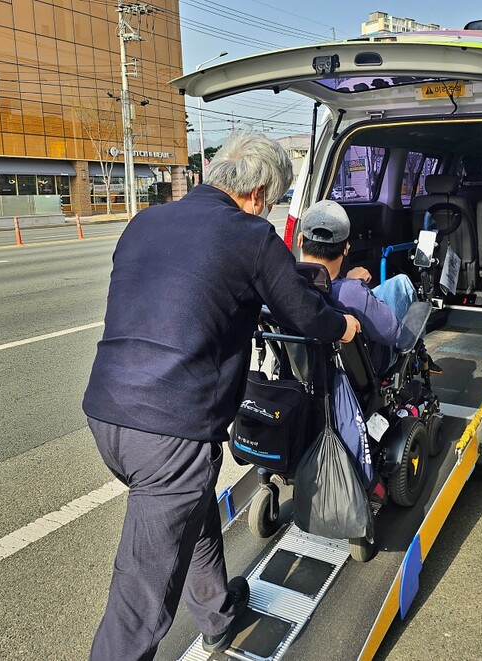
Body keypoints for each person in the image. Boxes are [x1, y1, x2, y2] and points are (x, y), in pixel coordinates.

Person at [82, 133, 361, 661]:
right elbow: (303, 314)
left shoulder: (146, 221)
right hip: (168, 430)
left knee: (195, 503)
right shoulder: (252, 237)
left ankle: (217, 615)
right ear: (257, 193)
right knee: (140, 598)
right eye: (273, 203)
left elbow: (180, 295)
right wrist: (342, 326)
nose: (270, 212)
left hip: (106, 411)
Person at [297, 199, 438, 376]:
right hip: (368, 368)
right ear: (346, 248)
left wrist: (350, 282)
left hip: (309, 366)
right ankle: (420, 354)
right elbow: (392, 334)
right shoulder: (352, 293)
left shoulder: (287, 286)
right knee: (401, 284)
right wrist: (356, 285)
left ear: (300, 240)